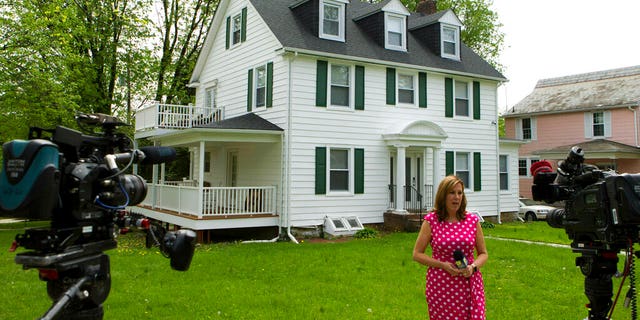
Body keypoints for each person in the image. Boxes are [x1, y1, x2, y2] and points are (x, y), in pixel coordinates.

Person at [412, 175, 488, 320]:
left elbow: (483, 253)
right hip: (441, 285)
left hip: (469, 283)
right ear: (443, 195)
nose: (456, 197)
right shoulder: (432, 221)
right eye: (452, 193)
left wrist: (472, 267)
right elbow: (417, 254)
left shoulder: (472, 220)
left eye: (460, 193)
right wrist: (442, 265)